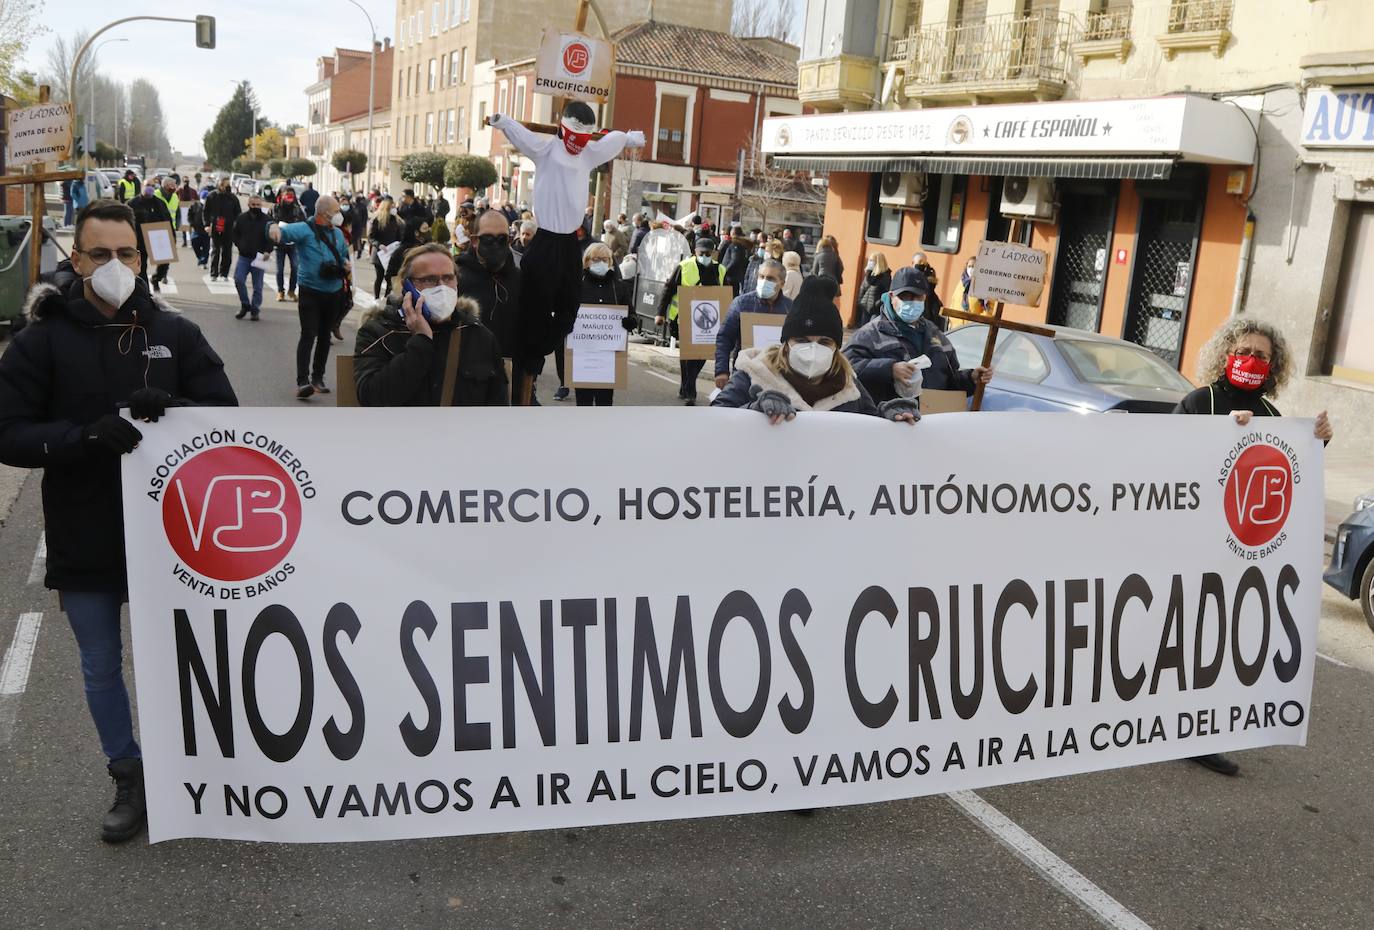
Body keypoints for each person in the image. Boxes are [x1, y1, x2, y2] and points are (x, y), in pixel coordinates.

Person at [0, 199, 237, 843]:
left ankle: (192, 773)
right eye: (99, 254)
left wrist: (178, 407)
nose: (113, 265)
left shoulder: (175, 333)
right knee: (101, 664)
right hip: (85, 528)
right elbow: (10, 434)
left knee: (184, 656)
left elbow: (228, 417)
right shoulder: (41, 341)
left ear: (144, 255)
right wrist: (82, 437)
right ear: (74, 260)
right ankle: (129, 776)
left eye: (125, 253)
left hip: (177, 536)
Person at [1171, 318, 1333, 776]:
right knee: (1190, 638)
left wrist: (1317, 441)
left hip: (1243, 551)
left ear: (1273, 365)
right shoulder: (1199, 402)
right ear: (1226, 354)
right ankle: (1177, 725)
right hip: (1196, 543)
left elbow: (1291, 477)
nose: (1253, 360)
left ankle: (1202, 731)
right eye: (1246, 350)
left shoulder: (1271, 414)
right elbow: (1164, 457)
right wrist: (1223, 433)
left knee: (1222, 642)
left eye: (1263, 355)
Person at [486, 102, 645, 403]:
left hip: (570, 242)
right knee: (535, 306)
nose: (579, 140)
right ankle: (527, 370)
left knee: (570, 306)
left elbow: (610, 141)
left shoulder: (589, 154)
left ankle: (544, 346)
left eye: (586, 134)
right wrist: (502, 121)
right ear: (563, 126)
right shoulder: (547, 150)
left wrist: (628, 137)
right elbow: (524, 136)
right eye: (576, 132)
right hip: (545, 239)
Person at [713, 276, 918, 425]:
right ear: (786, 342)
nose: (812, 348)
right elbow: (713, 419)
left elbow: (867, 425)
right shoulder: (754, 373)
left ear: (836, 347)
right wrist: (754, 410)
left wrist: (887, 419)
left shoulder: (848, 384)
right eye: (801, 340)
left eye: (824, 342)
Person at [354, 243, 508, 406]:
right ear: (407, 286)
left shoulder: (479, 336)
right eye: (429, 279)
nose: (442, 287)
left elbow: (498, 406)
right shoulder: (378, 332)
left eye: (448, 278)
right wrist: (421, 341)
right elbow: (371, 398)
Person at [843, 266, 992, 405]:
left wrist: (971, 378)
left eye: (918, 297)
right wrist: (889, 369)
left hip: (930, 419)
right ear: (891, 296)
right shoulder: (871, 333)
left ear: (925, 298)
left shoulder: (935, 334)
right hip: (889, 419)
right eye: (906, 297)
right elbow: (845, 367)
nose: (912, 302)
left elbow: (950, 380)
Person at [268, 195, 351, 399]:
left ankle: (318, 378)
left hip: (334, 292)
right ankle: (302, 382)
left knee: (324, 337)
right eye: (336, 211)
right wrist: (272, 227)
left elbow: (343, 255)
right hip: (310, 291)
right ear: (323, 214)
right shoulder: (304, 229)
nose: (340, 215)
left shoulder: (338, 234)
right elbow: (282, 231)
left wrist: (346, 264)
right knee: (308, 334)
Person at [456, 210, 526, 393]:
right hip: (464, 378)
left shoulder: (520, 279)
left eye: (502, 239)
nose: (495, 244)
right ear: (474, 241)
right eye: (487, 238)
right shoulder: (456, 278)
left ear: (509, 241)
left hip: (510, 377)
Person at [562, 242, 636, 406]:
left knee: (605, 402)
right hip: (583, 356)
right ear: (586, 261)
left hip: (608, 359)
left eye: (604, 259)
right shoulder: (576, 286)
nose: (600, 263)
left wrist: (629, 322)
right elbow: (564, 312)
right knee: (583, 402)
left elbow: (632, 315)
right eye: (595, 259)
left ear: (610, 262)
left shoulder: (619, 287)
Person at [656, 236, 722, 406]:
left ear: (713, 253)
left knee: (701, 355)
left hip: (709, 321)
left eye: (709, 253)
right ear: (695, 252)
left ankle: (686, 386)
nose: (705, 256)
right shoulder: (684, 267)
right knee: (688, 354)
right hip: (683, 317)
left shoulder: (720, 270)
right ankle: (690, 390)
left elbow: (728, 294)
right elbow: (668, 289)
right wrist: (660, 313)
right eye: (702, 253)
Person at [714, 259, 792, 389]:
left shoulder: (790, 308)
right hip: (744, 374)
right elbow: (724, 337)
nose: (764, 281)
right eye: (762, 277)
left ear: (782, 283)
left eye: (771, 278)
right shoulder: (742, 303)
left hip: (778, 377)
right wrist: (721, 371)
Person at [231, 194, 274, 321]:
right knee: (238, 280)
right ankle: (245, 305)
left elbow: (271, 237)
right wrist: (239, 244)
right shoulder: (241, 218)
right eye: (253, 205)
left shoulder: (267, 220)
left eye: (258, 205)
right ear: (248, 205)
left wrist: (268, 251)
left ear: (261, 205)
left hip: (260, 257)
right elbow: (235, 233)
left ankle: (255, 310)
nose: (256, 207)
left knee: (258, 286)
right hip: (244, 256)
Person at [126, 181, 172, 288]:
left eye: (152, 186)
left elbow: (167, 220)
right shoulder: (132, 204)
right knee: (141, 267)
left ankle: (156, 278)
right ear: (142, 187)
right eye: (148, 185)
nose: (150, 188)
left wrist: (171, 237)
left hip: (158, 238)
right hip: (139, 240)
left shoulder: (160, 203)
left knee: (164, 264)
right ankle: (145, 290)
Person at [146, 176, 180, 291]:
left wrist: (177, 226)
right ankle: (143, 285)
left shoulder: (175, 196)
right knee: (145, 259)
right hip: (154, 230)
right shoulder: (155, 194)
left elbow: (177, 212)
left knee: (165, 261)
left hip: (169, 229)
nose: (174, 187)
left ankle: (157, 278)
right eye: (172, 185)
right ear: (165, 185)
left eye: (175, 185)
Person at [203, 178, 241, 282]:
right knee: (216, 250)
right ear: (220, 185)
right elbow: (206, 211)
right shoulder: (212, 196)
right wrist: (206, 224)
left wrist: (236, 225)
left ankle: (224, 273)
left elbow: (238, 213)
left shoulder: (233, 198)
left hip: (229, 228)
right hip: (215, 227)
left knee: (227, 251)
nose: (227, 186)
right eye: (225, 185)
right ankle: (214, 273)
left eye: (229, 184)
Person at [272, 187, 306, 302]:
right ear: (281, 195)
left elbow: (304, 224)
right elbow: (268, 223)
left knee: (295, 267)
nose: (289, 197)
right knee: (279, 269)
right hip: (279, 243)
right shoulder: (275, 208)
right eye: (287, 194)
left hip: (293, 244)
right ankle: (280, 291)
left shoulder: (297, 209)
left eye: (291, 195)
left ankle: (291, 291)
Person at [368, 196, 404, 300]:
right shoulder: (377, 220)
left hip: (392, 254)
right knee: (379, 277)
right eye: (391, 207)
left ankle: (386, 298)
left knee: (390, 278)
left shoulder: (397, 220)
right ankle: (376, 298)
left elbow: (399, 237)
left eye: (394, 206)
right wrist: (379, 245)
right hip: (379, 254)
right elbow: (371, 237)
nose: (394, 209)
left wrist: (398, 245)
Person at [855, 253, 892, 327]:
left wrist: (876, 304)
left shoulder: (885, 277)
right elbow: (862, 289)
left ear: (878, 262)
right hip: (865, 309)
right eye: (870, 260)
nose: (870, 262)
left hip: (876, 311)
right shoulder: (868, 275)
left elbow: (886, 294)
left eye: (872, 260)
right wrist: (861, 302)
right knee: (863, 331)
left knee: (871, 329)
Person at [912, 252, 946, 330]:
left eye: (924, 263)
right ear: (913, 263)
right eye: (919, 262)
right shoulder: (907, 277)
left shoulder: (928, 281)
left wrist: (928, 277)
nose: (921, 265)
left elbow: (929, 295)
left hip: (926, 318)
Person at [721, 225, 754, 297]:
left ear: (732, 234)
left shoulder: (735, 244)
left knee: (729, 297)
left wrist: (725, 271)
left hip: (731, 277)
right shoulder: (743, 244)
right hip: (737, 276)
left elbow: (735, 260)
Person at [350, 193, 369, 258]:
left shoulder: (362, 206)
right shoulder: (352, 205)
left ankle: (359, 252)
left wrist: (363, 224)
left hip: (359, 225)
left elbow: (365, 216)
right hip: (354, 225)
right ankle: (354, 252)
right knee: (353, 239)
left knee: (358, 239)